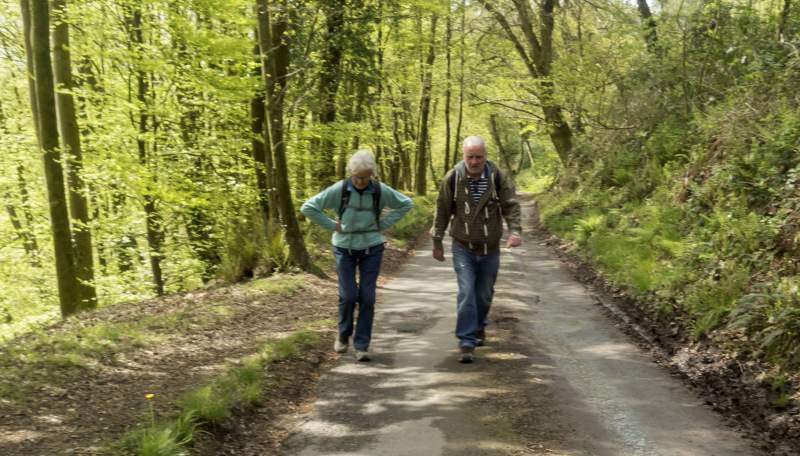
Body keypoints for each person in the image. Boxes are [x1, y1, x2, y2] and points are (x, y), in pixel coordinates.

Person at [301, 150, 413, 362]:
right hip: (344, 248)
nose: (360, 181)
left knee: (368, 298)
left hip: (373, 247)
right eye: (356, 177)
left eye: (365, 177)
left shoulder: (380, 190)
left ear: (372, 174)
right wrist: (333, 226)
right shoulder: (340, 189)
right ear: (350, 174)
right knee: (348, 296)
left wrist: (384, 224)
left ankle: (362, 346)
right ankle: (344, 333)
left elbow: (406, 203)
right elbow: (308, 207)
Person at [431, 136, 522, 363]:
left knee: (483, 294)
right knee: (467, 291)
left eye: (478, 156)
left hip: (490, 248)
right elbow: (442, 211)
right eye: (470, 156)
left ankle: (479, 325)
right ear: (463, 156)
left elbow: (511, 204)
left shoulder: (496, 176)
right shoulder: (452, 178)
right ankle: (466, 341)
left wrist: (515, 231)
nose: (474, 161)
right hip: (463, 246)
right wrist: (437, 242)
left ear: (485, 156)